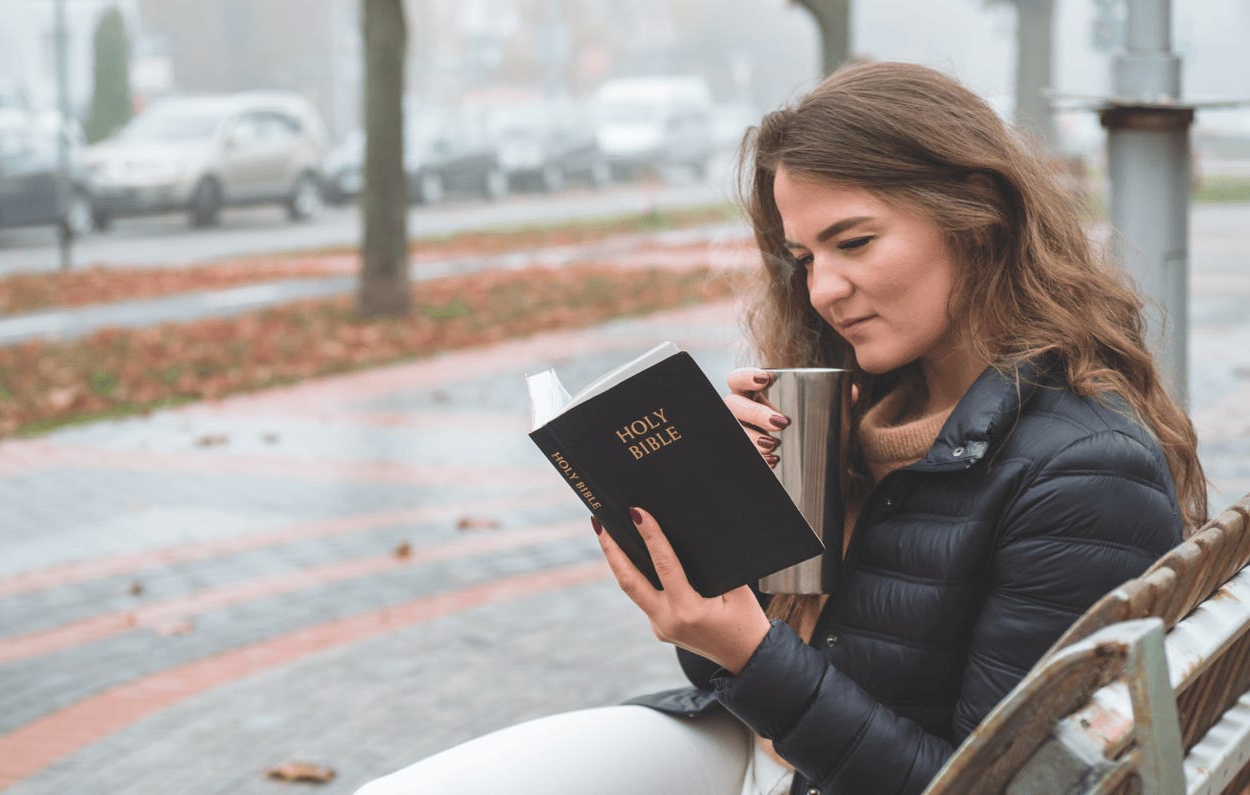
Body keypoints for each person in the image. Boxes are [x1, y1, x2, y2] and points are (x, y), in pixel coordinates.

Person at [355, 60, 1206, 795]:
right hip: (761, 749)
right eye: (803, 258)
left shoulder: (1082, 472)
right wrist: (720, 526)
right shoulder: (856, 409)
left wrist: (751, 650)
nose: (821, 290)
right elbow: (728, 665)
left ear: (973, 215)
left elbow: (975, 782)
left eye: (854, 242)